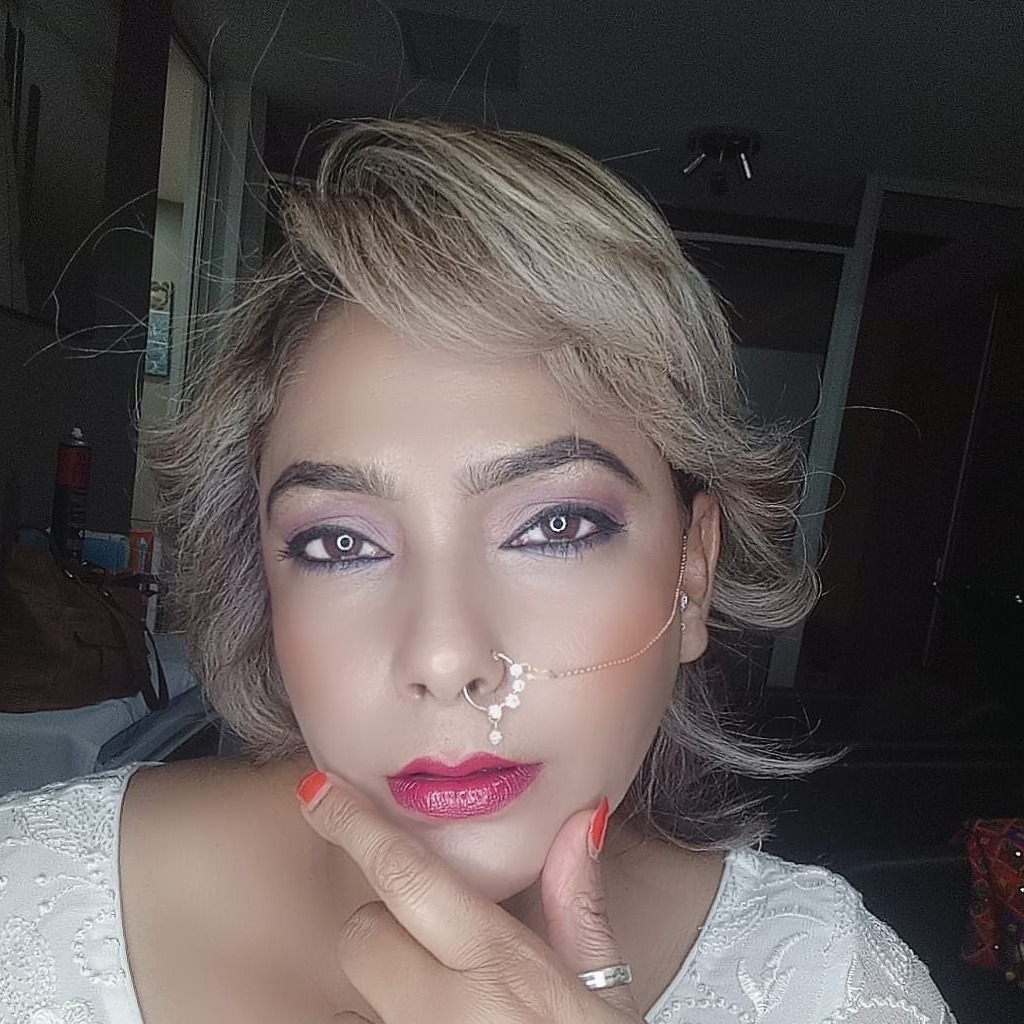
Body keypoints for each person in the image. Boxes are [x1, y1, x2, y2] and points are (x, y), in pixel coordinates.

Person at [0, 119, 955, 1024]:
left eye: (555, 526)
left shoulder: (830, 988)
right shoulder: (24, 903)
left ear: (693, 573)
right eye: (340, 544)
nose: (445, 656)